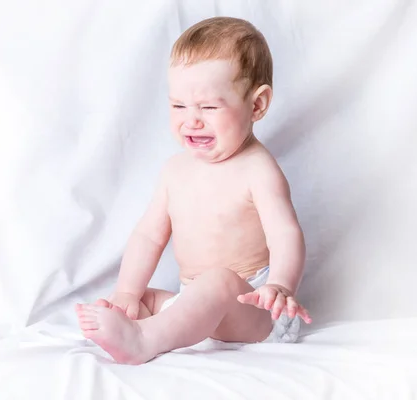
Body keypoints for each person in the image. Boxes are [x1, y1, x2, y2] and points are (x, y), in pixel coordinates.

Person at [75, 16, 311, 365]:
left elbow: (286, 234)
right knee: (144, 301)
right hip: (196, 299)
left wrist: (279, 286)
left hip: (256, 310)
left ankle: (144, 340)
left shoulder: (257, 169)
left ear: (257, 105)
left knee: (217, 282)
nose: (192, 119)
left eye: (209, 107)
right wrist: (128, 292)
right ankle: (138, 323)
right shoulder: (175, 170)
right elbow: (148, 236)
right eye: (179, 106)